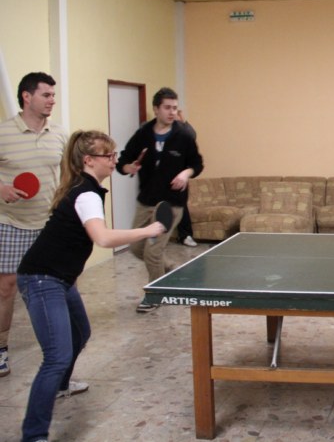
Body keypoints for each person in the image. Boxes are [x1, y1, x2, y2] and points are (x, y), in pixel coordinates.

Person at [17, 130, 165, 442]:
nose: (114, 160)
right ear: (89, 160)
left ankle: (60, 386)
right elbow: (103, 238)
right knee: (56, 356)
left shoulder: (86, 189)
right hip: (42, 278)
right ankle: (33, 435)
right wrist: (146, 230)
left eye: (114, 155)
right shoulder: (86, 194)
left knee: (80, 332)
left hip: (61, 278)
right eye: (108, 156)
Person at [0, 72, 67, 378]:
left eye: (53, 95)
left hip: (48, 225)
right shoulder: (3, 133)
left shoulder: (59, 134)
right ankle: (1, 348)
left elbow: (67, 174)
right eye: (46, 95)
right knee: (6, 287)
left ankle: (58, 352)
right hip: (11, 222)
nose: (52, 100)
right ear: (27, 97)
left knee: (58, 288)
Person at [117, 88, 204, 313]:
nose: (172, 112)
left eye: (175, 108)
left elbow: (197, 164)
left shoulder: (184, 136)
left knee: (153, 252)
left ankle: (156, 295)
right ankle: (172, 270)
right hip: (146, 201)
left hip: (171, 204)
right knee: (136, 248)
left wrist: (186, 173)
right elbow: (123, 161)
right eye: (167, 107)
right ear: (156, 109)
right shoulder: (142, 134)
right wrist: (128, 167)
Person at [175, 109, 198, 247]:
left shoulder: (183, 134)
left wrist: (182, 120)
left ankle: (185, 235)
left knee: (181, 206)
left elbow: (192, 135)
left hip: (178, 176)